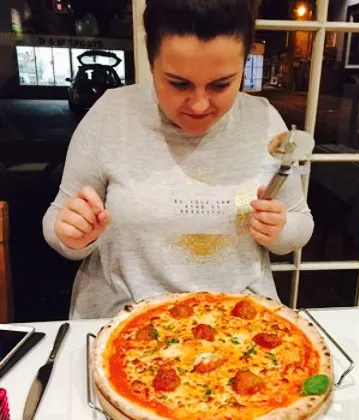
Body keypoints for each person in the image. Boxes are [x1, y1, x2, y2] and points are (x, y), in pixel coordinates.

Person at [42, 0, 314, 319]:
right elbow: (57, 219)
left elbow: (301, 221)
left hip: (239, 322)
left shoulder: (266, 120)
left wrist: (280, 230)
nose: (199, 105)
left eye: (221, 84)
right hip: (122, 319)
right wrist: (73, 234)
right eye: (178, 83)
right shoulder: (111, 114)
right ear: (151, 62)